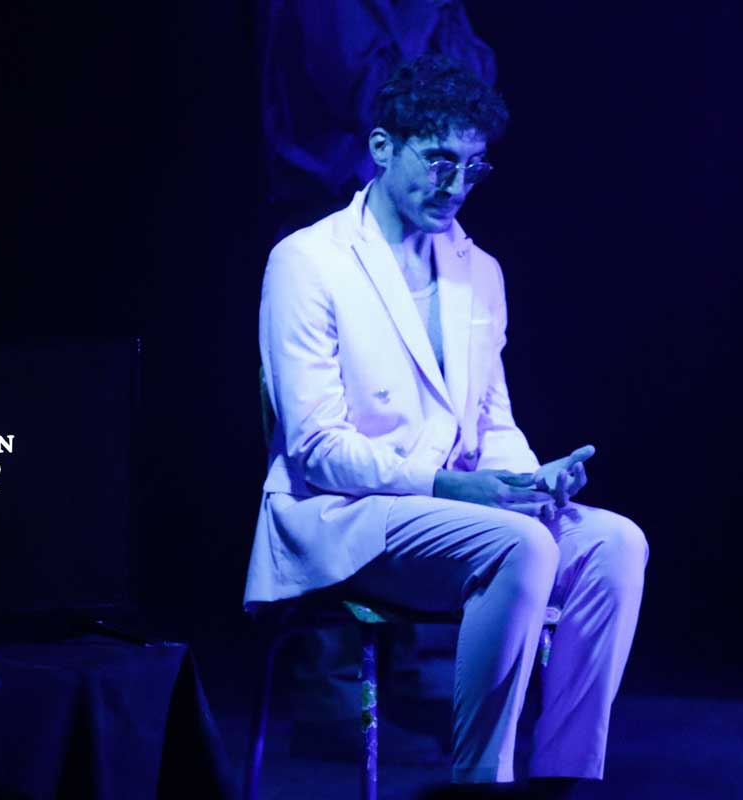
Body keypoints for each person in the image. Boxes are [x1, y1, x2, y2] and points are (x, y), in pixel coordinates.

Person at [245, 55, 648, 795]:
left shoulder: (477, 269)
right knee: (521, 545)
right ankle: (478, 783)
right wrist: (455, 489)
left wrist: (532, 480)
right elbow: (317, 449)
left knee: (616, 542)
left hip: (449, 513)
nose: (455, 185)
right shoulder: (308, 262)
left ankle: (560, 780)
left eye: (471, 167)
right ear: (382, 147)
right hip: (342, 515)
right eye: (438, 161)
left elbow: (491, 419)